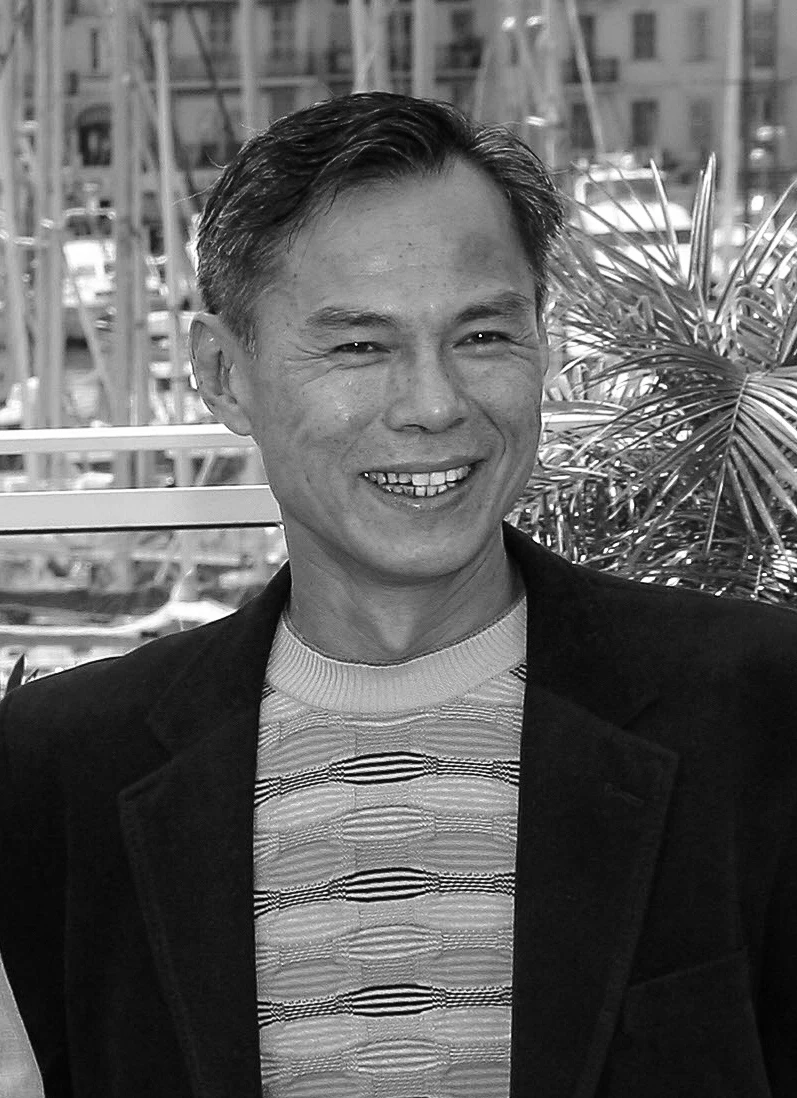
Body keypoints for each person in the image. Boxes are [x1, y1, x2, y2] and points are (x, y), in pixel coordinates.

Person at [1, 92, 795, 1098]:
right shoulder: (59, 774)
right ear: (221, 373)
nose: (433, 405)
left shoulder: (759, 710)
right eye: (358, 347)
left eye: (483, 335)